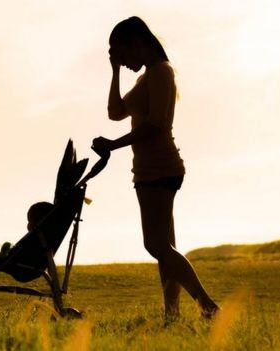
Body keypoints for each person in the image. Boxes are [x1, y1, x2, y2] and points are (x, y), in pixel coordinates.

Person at [92, 16, 220, 320]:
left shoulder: (161, 72)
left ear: (137, 42)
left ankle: (208, 306)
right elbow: (114, 112)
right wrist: (113, 71)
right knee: (166, 247)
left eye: (122, 56)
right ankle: (172, 316)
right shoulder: (145, 77)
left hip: (160, 167)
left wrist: (112, 145)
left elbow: (157, 125)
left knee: (156, 244)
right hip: (148, 170)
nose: (122, 63)